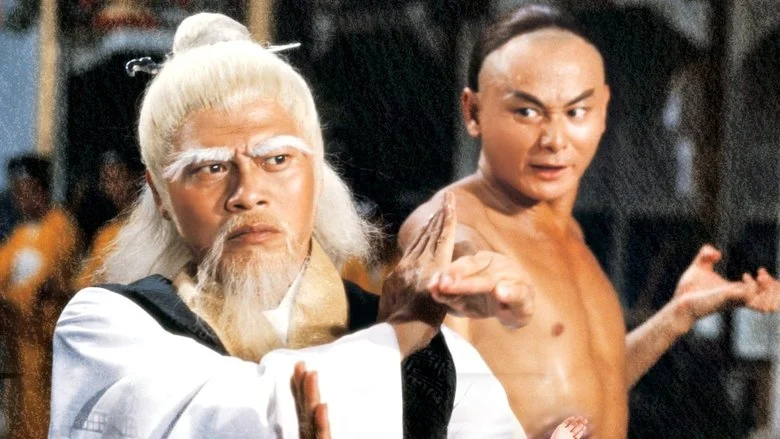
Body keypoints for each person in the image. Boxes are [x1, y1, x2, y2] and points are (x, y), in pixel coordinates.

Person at [49, 12, 528, 438]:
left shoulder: (443, 360)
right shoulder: (107, 328)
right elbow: (230, 418)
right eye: (211, 167)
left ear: (317, 175)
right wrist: (397, 335)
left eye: (277, 159)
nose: (247, 193)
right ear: (161, 197)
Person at [399, 4, 780, 438]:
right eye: (526, 111)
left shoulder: (566, 239)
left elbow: (593, 393)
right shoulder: (451, 230)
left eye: (575, 111)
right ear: (474, 113)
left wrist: (678, 314)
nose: (554, 138)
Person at [0, 154, 79, 439]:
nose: (20, 198)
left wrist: (11, 300)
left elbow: (50, 278)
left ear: (41, 189)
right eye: (16, 191)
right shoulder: (20, 233)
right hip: (18, 337)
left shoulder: (61, 226)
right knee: (18, 409)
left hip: (44, 337)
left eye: (26, 189)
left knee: (40, 411)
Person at [71, 150, 141, 291]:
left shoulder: (149, 224)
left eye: (118, 178)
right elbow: (82, 284)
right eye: (107, 181)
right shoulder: (105, 235)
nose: (113, 187)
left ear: (134, 178)